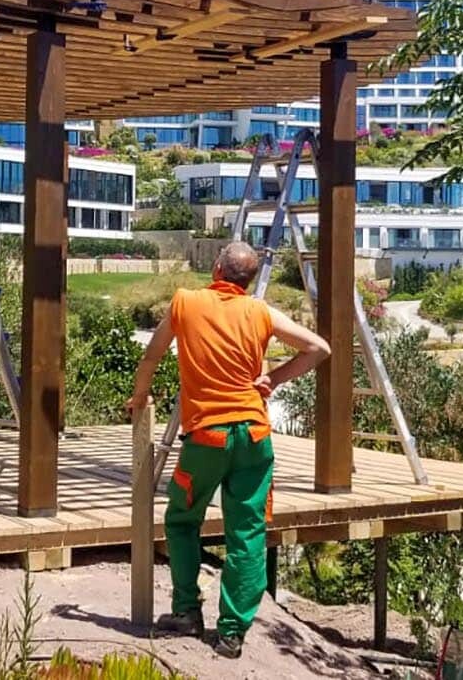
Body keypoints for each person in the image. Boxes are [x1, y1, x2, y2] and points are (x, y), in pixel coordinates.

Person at [126, 241, 332, 659]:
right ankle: (232, 633)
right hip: (254, 436)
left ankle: (186, 611)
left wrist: (140, 397)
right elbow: (319, 348)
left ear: (218, 268)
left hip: (207, 437)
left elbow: (151, 357)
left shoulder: (186, 303)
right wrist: (273, 379)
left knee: (183, 520)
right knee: (247, 532)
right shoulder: (259, 311)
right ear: (248, 279)